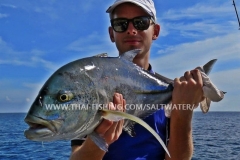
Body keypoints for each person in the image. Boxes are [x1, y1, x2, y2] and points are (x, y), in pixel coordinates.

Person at [70, 0, 204, 159]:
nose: (131, 30)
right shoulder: (91, 85)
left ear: (156, 31)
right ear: (112, 33)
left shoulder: (172, 90)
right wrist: (100, 139)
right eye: (121, 24)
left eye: (141, 22)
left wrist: (184, 111)